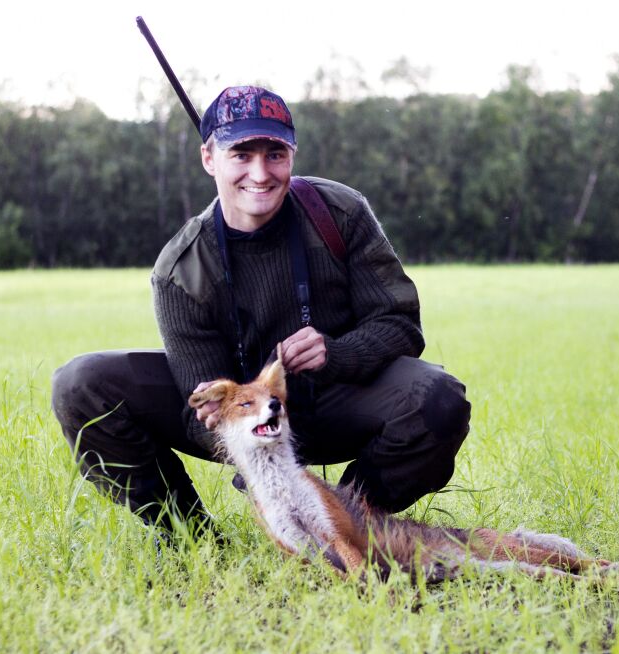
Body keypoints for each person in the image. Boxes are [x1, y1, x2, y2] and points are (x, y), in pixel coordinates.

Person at [50, 86, 470, 537]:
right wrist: (222, 413)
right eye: (241, 154)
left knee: (440, 399)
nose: (260, 172)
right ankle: (189, 537)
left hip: (338, 398)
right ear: (209, 158)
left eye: (275, 154)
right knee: (81, 383)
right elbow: (200, 410)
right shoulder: (180, 268)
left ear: (292, 154)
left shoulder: (339, 212)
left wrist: (337, 352)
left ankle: (348, 525)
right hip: (247, 415)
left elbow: (401, 325)